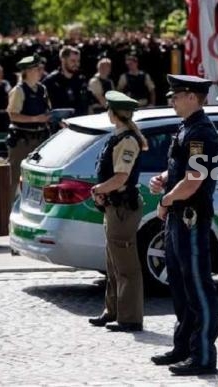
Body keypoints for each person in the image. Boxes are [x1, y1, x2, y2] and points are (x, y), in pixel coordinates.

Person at [149, 74, 218, 376]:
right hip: (180, 216)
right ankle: (184, 347)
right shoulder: (187, 128)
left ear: (193, 97)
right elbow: (181, 170)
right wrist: (165, 179)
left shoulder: (201, 134)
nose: (173, 100)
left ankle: (203, 355)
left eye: (177, 95)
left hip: (191, 215)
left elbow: (194, 181)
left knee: (197, 285)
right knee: (179, 283)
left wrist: (165, 201)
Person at [88, 91, 146, 332]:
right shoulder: (118, 136)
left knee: (126, 265)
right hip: (114, 204)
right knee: (113, 262)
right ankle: (112, 310)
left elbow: (121, 177)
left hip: (123, 207)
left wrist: (98, 189)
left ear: (113, 113)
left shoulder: (127, 140)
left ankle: (130, 318)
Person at [6, 56, 51, 198]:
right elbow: (13, 115)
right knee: (14, 177)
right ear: (28, 71)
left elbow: (47, 110)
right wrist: (35, 119)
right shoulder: (18, 90)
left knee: (40, 178)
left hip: (40, 140)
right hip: (21, 141)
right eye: (38, 69)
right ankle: (8, 213)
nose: (41, 72)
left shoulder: (42, 89)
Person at [42, 46, 88, 115]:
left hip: (80, 120)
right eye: (73, 61)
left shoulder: (81, 79)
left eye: (78, 61)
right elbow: (45, 108)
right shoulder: (50, 81)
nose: (77, 64)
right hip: (59, 123)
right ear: (63, 60)